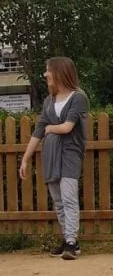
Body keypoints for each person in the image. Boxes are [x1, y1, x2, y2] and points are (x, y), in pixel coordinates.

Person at [19, 57, 90, 261]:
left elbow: (67, 127)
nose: (45, 74)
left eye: (48, 70)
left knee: (68, 198)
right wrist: (25, 159)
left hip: (69, 154)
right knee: (58, 202)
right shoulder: (49, 101)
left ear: (59, 72)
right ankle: (68, 239)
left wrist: (50, 128)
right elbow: (38, 132)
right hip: (50, 155)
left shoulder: (78, 97)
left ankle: (71, 241)